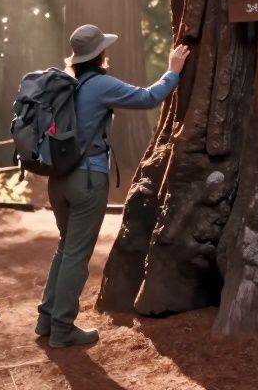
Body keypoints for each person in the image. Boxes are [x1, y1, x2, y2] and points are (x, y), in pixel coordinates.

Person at [37, 24, 190, 348]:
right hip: (87, 180)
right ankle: (62, 329)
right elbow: (148, 98)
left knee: (66, 248)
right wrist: (172, 72)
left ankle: (46, 320)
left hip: (58, 181)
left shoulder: (66, 85)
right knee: (76, 254)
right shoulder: (99, 85)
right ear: (100, 55)